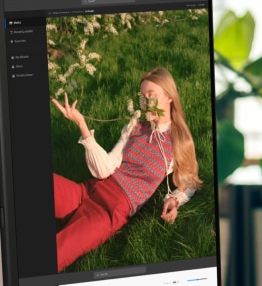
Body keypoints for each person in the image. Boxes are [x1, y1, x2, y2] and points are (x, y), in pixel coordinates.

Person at [51, 66, 202, 272]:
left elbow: (190, 181)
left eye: (152, 95)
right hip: (87, 191)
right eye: (143, 97)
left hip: (109, 212)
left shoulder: (178, 141)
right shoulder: (135, 126)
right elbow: (104, 170)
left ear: (169, 97)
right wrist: (82, 125)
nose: (146, 102)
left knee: (58, 252)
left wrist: (174, 200)